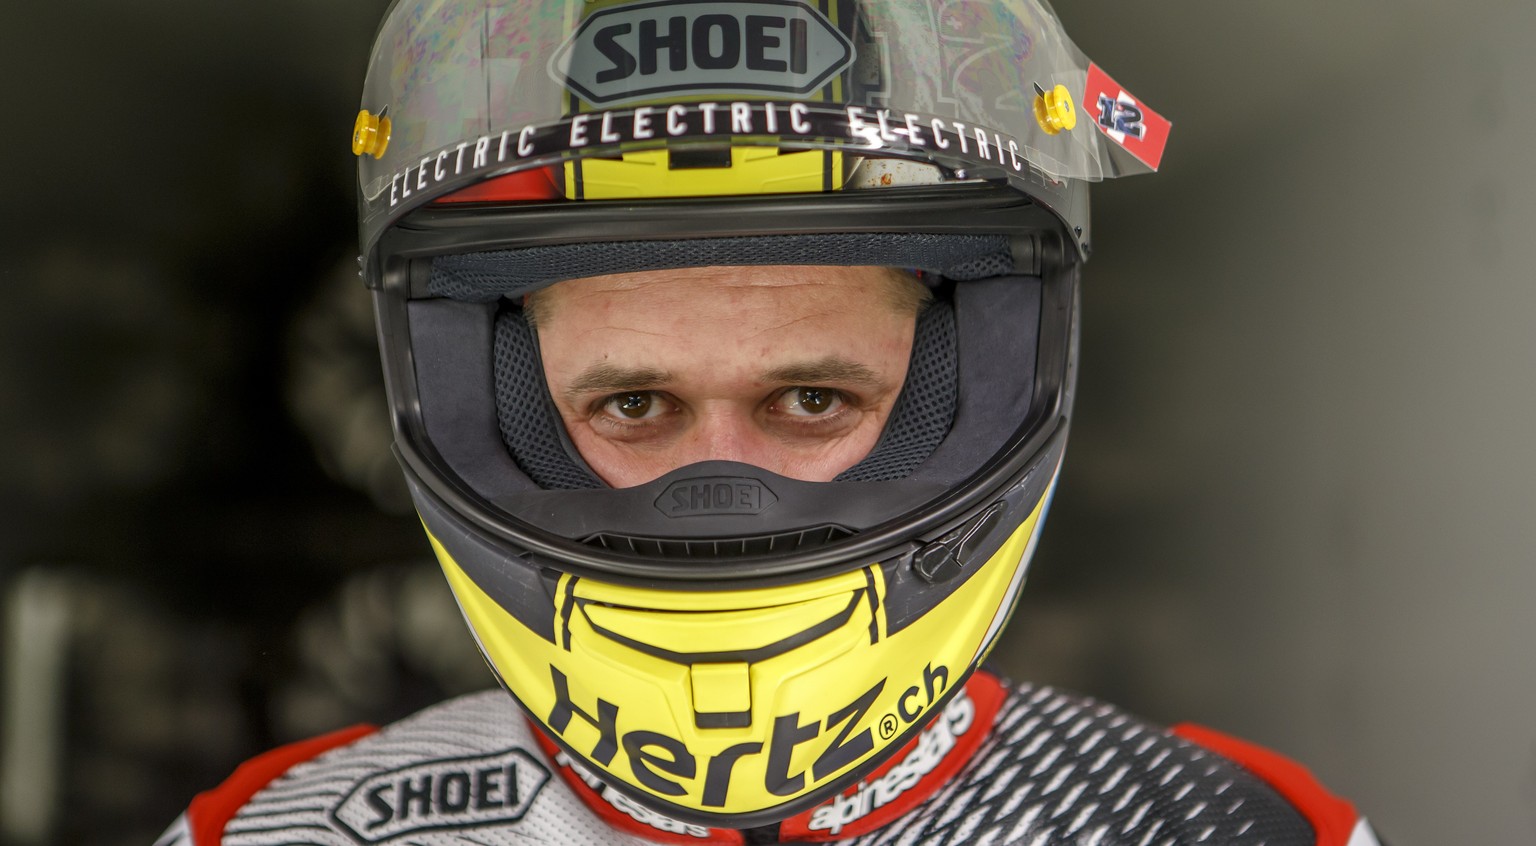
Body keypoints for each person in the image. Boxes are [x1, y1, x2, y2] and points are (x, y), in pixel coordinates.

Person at [159, 0, 1384, 843]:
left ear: (972, 385)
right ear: (502, 406)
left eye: (812, 400)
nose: (724, 489)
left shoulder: (1223, 827)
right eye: (634, 404)